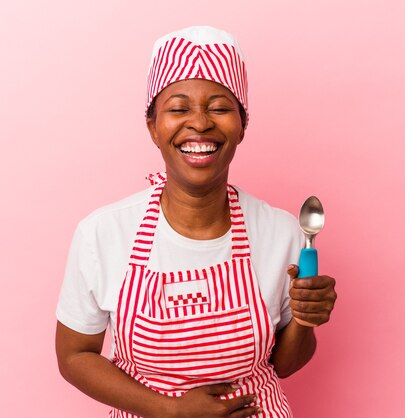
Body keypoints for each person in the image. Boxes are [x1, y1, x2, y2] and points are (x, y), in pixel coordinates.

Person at [55, 26, 337, 418]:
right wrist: (169, 410)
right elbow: (74, 356)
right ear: (153, 127)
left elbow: (285, 365)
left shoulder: (282, 231)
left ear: (242, 125)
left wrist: (306, 320)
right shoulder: (102, 233)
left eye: (220, 107)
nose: (200, 123)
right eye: (178, 108)